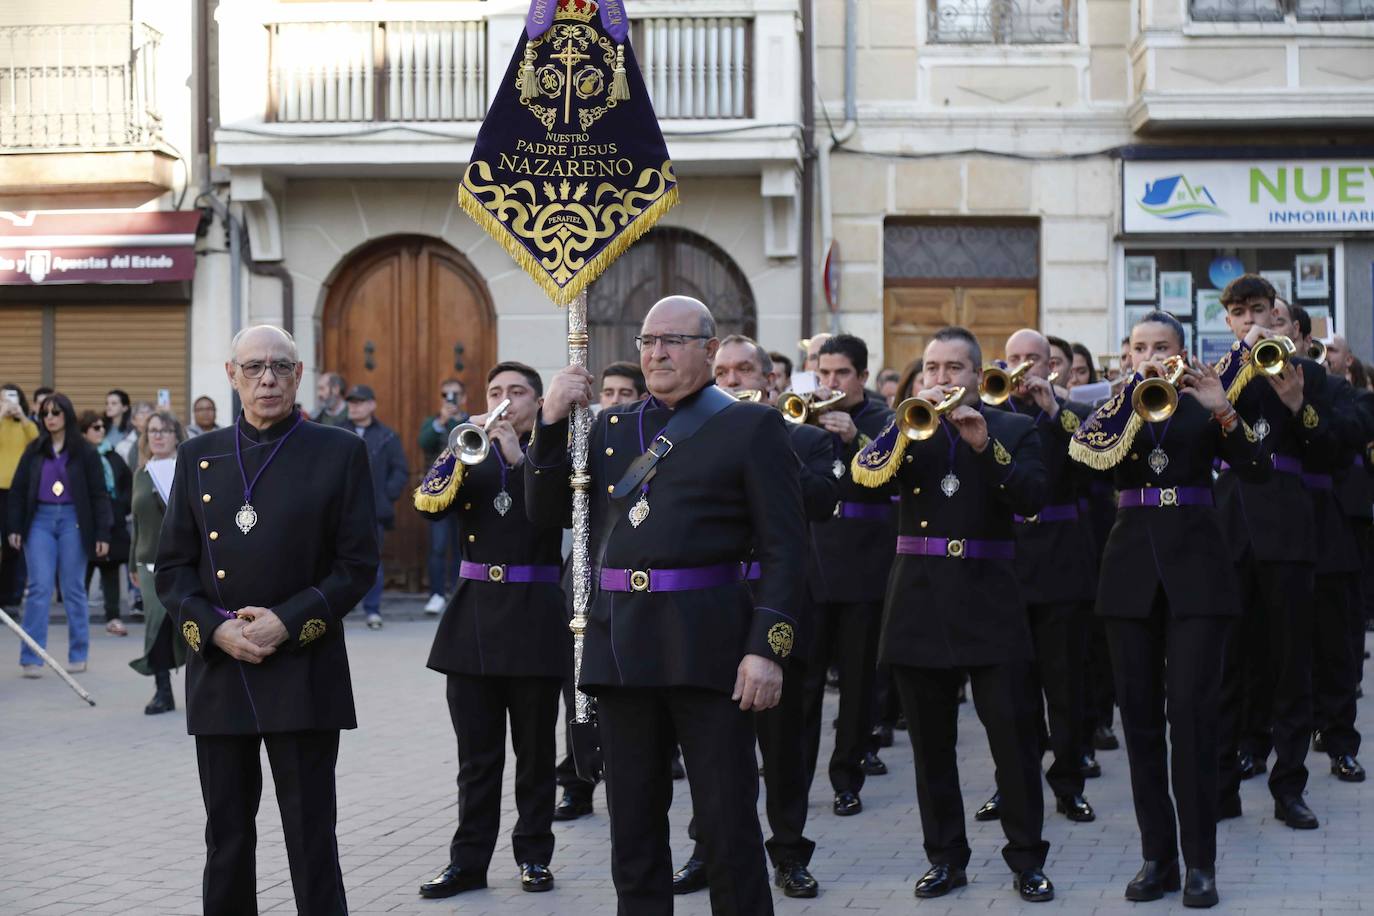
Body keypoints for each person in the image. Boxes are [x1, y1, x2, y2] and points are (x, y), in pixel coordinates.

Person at [527, 295, 807, 916]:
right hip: (622, 645)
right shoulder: (607, 427)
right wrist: (548, 421)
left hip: (711, 647)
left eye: (673, 341)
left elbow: (789, 551)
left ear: (710, 351)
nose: (655, 352)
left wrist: (768, 649)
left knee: (727, 824)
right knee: (632, 829)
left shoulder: (749, 426)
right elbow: (546, 514)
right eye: (647, 341)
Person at [156, 324, 378, 916]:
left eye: (280, 366)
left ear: (300, 374)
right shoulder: (196, 456)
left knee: (311, 838)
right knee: (226, 838)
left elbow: (356, 566)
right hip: (221, 669)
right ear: (232, 376)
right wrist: (214, 629)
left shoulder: (339, 452)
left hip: (303, 668)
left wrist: (288, 621)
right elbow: (173, 569)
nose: (268, 379)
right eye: (253, 368)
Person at [1070, 310, 1270, 908]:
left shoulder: (1205, 402)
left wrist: (1221, 407)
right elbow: (1080, 467)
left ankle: (1200, 865)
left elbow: (1257, 469)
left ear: (1183, 353)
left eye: (1162, 347)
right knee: (1138, 722)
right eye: (1140, 348)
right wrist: (1121, 405)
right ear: (1127, 355)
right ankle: (1157, 857)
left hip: (1198, 575)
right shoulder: (1116, 410)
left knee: (1192, 718)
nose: (1151, 356)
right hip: (1130, 575)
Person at [851, 326, 1054, 903]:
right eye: (932, 369)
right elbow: (863, 484)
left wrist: (986, 445)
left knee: (1013, 740)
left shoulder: (1014, 428)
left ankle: (1026, 858)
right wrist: (895, 434)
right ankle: (945, 857)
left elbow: (1033, 496)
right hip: (918, 599)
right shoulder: (903, 430)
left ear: (976, 374)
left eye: (954, 369)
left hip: (990, 597)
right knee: (930, 745)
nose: (941, 379)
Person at [672, 335, 839, 899]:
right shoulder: (689, 438)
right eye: (723, 371)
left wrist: (766, 439)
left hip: (780, 609)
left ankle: (789, 852)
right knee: (710, 743)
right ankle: (706, 848)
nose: (734, 379)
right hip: (712, 612)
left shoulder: (809, 440)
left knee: (784, 742)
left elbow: (819, 501)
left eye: (745, 370)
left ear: (770, 382)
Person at [414, 361, 569, 898]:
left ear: (538, 400)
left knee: (533, 754)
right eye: (495, 391)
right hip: (475, 617)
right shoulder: (468, 451)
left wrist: (517, 455)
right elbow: (427, 504)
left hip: (534, 615)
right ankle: (468, 861)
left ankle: (533, 856)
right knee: (477, 758)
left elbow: (557, 514)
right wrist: (456, 451)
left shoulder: (554, 452)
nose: (505, 401)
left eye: (517, 392)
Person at [1213, 275, 1334, 830]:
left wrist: (1300, 405)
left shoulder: (1305, 372)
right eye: (1239, 314)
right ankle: (1233, 765)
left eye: (1259, 310)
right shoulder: (1215, 377)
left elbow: (1332, 447)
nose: (1251, 321)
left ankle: (1290, 785)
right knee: (1231, 658)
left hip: (1287, 526)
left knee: (1290, 662)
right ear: (1229, 321)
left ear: (1275, 312)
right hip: (1231, 525)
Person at [973, 329, 1097, 827]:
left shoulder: (1074, 415)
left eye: (1034, 360)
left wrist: (1054, 411)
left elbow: (1092, 463)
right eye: (1014, 359)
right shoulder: (990, 416)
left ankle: (1068, 783)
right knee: (1010, 693)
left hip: (1062, 563)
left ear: (1054, 367)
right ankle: (1012, 786)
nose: (1022, 368)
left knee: (1064, 685)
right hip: (1007, 566)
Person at [1273, 303, 1369, 783]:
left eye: (1277, 320)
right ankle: (1255, 743)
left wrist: (1300, 407)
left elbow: (1347, 439)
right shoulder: (1244, 384)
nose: (1266, 327)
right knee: (1266, 642)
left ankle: (1338, 740)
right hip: (1265, 524)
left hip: (1320, 521)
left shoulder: (1330, 385)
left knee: (1334, 643)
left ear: (1300, 334)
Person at [802, 333, 897, 817]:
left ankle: (847, 776)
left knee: (858, 682)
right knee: (804, 681)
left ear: (861, 376)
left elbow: (891, 478)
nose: (830, 382)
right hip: (814, 563)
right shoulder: (805, 417)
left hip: (864, 566)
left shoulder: (884, 420)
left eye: (841, 374)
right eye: (823, 373)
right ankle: (796, 776)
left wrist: (852, 438)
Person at [7, 393, 112, 677]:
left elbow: (99, 495)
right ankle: (32, 656)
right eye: (45, 413)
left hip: (73, 521)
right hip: (39, 520)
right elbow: (17, 491)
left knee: (73, 589)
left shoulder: (85, 452)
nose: (50, 418)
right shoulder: (34, 450)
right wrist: (14, 527)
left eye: (55, 412)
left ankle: (79, 653)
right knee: (39, 588)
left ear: (67, 414)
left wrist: (103, 532)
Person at [129, 410, 188, 714]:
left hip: (183, 562)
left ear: (177, 436)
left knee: (191, 626)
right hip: (147, 563)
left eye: (165, 430)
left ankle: (204, 691)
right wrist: (131, 563)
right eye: (152, 430)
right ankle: (162, 692)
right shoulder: (141, 473)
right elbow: (137, 524)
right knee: (157, 627)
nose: (158, 435)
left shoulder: (187, 469)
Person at [346, 384, 408, 630]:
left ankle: (372, 610)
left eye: (360, 402)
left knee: (373, 560)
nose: (354, 406)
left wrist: (385, 495)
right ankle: (342, 604)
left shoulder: (387, 436)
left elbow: (400, 470)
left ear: (372, 405)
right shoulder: (335, 432)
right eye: (351, 402)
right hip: (341, 509)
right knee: (336, 559)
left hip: (374, 510)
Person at [80, 411, 133, 636]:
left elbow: (127, 484)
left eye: (102, 427)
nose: (101, 431)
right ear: (84, 432)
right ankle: (79, 618)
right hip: (87, 524)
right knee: (82, 572)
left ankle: (113, 617)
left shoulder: (113, 455)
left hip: (113, 523)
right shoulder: (79, 457)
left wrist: (120, 506)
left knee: (110, 571)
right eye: (95, 427)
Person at [419, 378, 469, 614]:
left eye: (455, 395)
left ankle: (460, 592)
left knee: (462, 547)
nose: (451, 400)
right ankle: (437, 594)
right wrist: (442, 420)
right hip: (440, 494)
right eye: (446, 395)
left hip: (466, 492)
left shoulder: (471, 422)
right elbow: (424, 442)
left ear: (464, 398)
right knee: (438, 547)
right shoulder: (433, 422)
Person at [0, 384, 38, 608]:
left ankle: (11, 597)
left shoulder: (26, 424)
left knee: (13, 544)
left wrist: (22, 416)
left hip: (17, 491)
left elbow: (36, 441)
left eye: (12, 399)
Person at [104, 389, 134, 455]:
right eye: (107, 403)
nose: (109, 406)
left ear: (125, 408)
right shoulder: (102, 427)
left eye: (113, 403)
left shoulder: (132, 430)